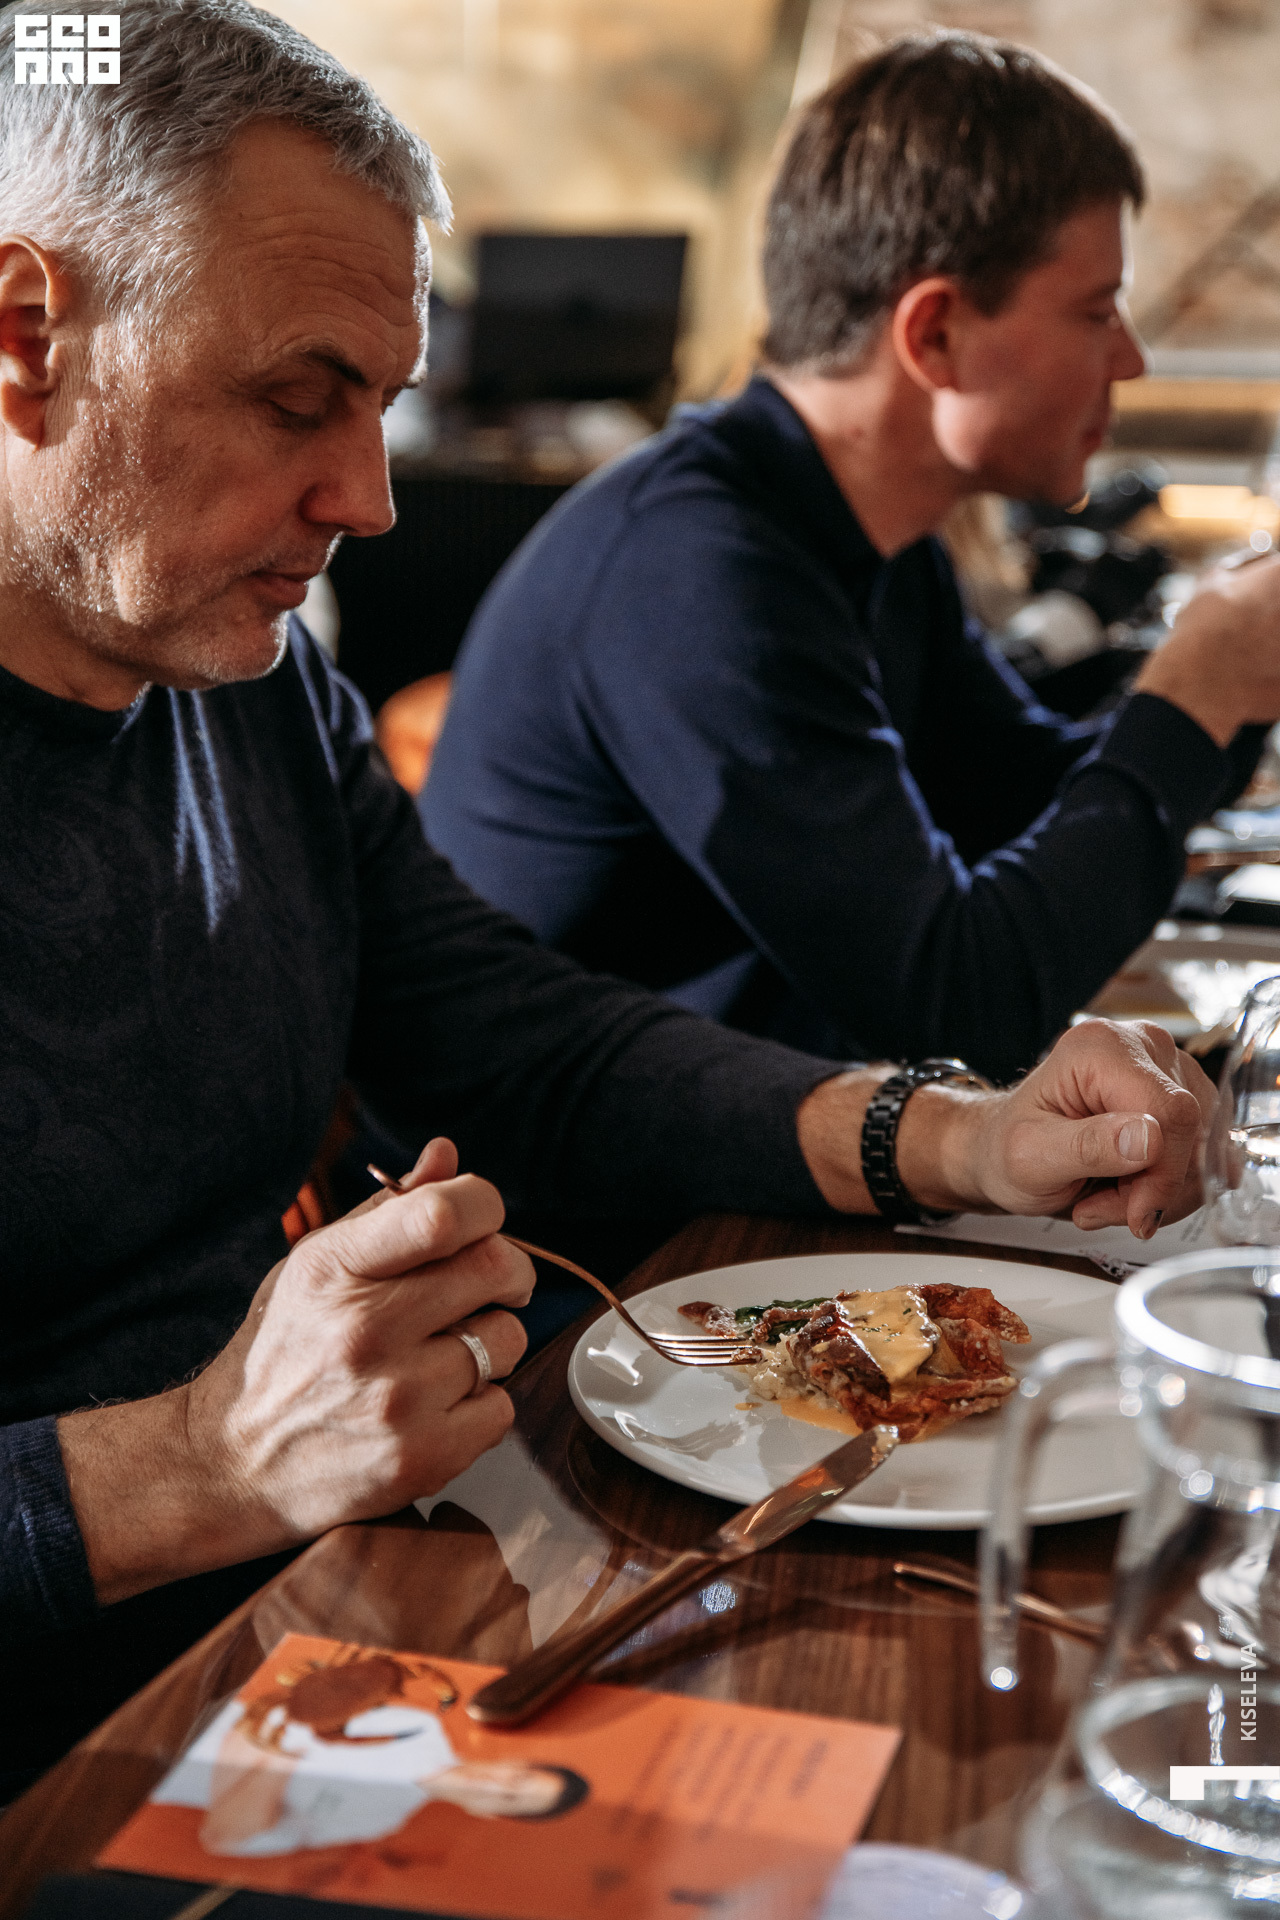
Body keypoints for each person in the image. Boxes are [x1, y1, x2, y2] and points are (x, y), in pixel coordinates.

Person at [0, 0, 1214, 1797]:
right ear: (28, 336)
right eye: (297, 399)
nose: (370, 499)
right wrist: (196, 1462)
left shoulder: (251, 685)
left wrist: (954, 1134)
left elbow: (521, 1041)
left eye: (383, 408)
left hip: (325, 1610)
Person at [422, 30, 1280, 1084]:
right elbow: (960, 1003)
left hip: (779, 1127)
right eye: (1095, 312)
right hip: (569, 1184)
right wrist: (1192, 698)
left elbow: (1014, 796)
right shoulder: (695, 570)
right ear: (934, 336)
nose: (1132, 359)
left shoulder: (866, 532)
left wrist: (1231, 682)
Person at [151, 1648, 589, 1854]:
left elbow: (226, 1835)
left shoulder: (376, 1821)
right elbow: (290, 1701)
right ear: (515, 1761)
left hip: (157, 1778)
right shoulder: (419, 1727)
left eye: (510, 1799)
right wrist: (272, 1762)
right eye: (519, 1778)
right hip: (204, 1700)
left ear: (489, 1813)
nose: (498, 1786)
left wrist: (274, 1753)